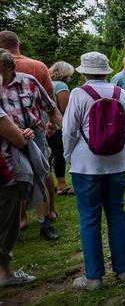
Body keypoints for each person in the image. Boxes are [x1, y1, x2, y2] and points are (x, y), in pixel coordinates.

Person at [62, 51, 125, 290]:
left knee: (89, 219)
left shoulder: (79, 94)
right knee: (117, 215)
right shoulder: (121, 93)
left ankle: (94, 277)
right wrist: (122, 147)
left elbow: (69, 132)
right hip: (117, 165)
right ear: (107, 71)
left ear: (84, 71)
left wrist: (70, 157)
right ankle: (123, 270)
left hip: (86, 166)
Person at [0, 49, 63, 241]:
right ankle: (19, 222)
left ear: (10, 67)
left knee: (41, 175)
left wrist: (54, 125)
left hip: (34, 135)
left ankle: (45, 223)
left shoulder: (28, 81)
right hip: (4, 140)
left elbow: (51, 107)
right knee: (13, 180)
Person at [0, 92, 37, 288]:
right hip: (3, 177)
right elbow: (18, 140)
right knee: (6, 226)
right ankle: (5, 273)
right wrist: (22, 134)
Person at [47, 61, 74, 195]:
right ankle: (62, 185)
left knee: (47, 156)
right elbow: (65, 108)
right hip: (56, 126)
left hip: (43, 125)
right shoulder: (61, 86)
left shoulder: (46, 83)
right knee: (59, 155)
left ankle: (47, 185)